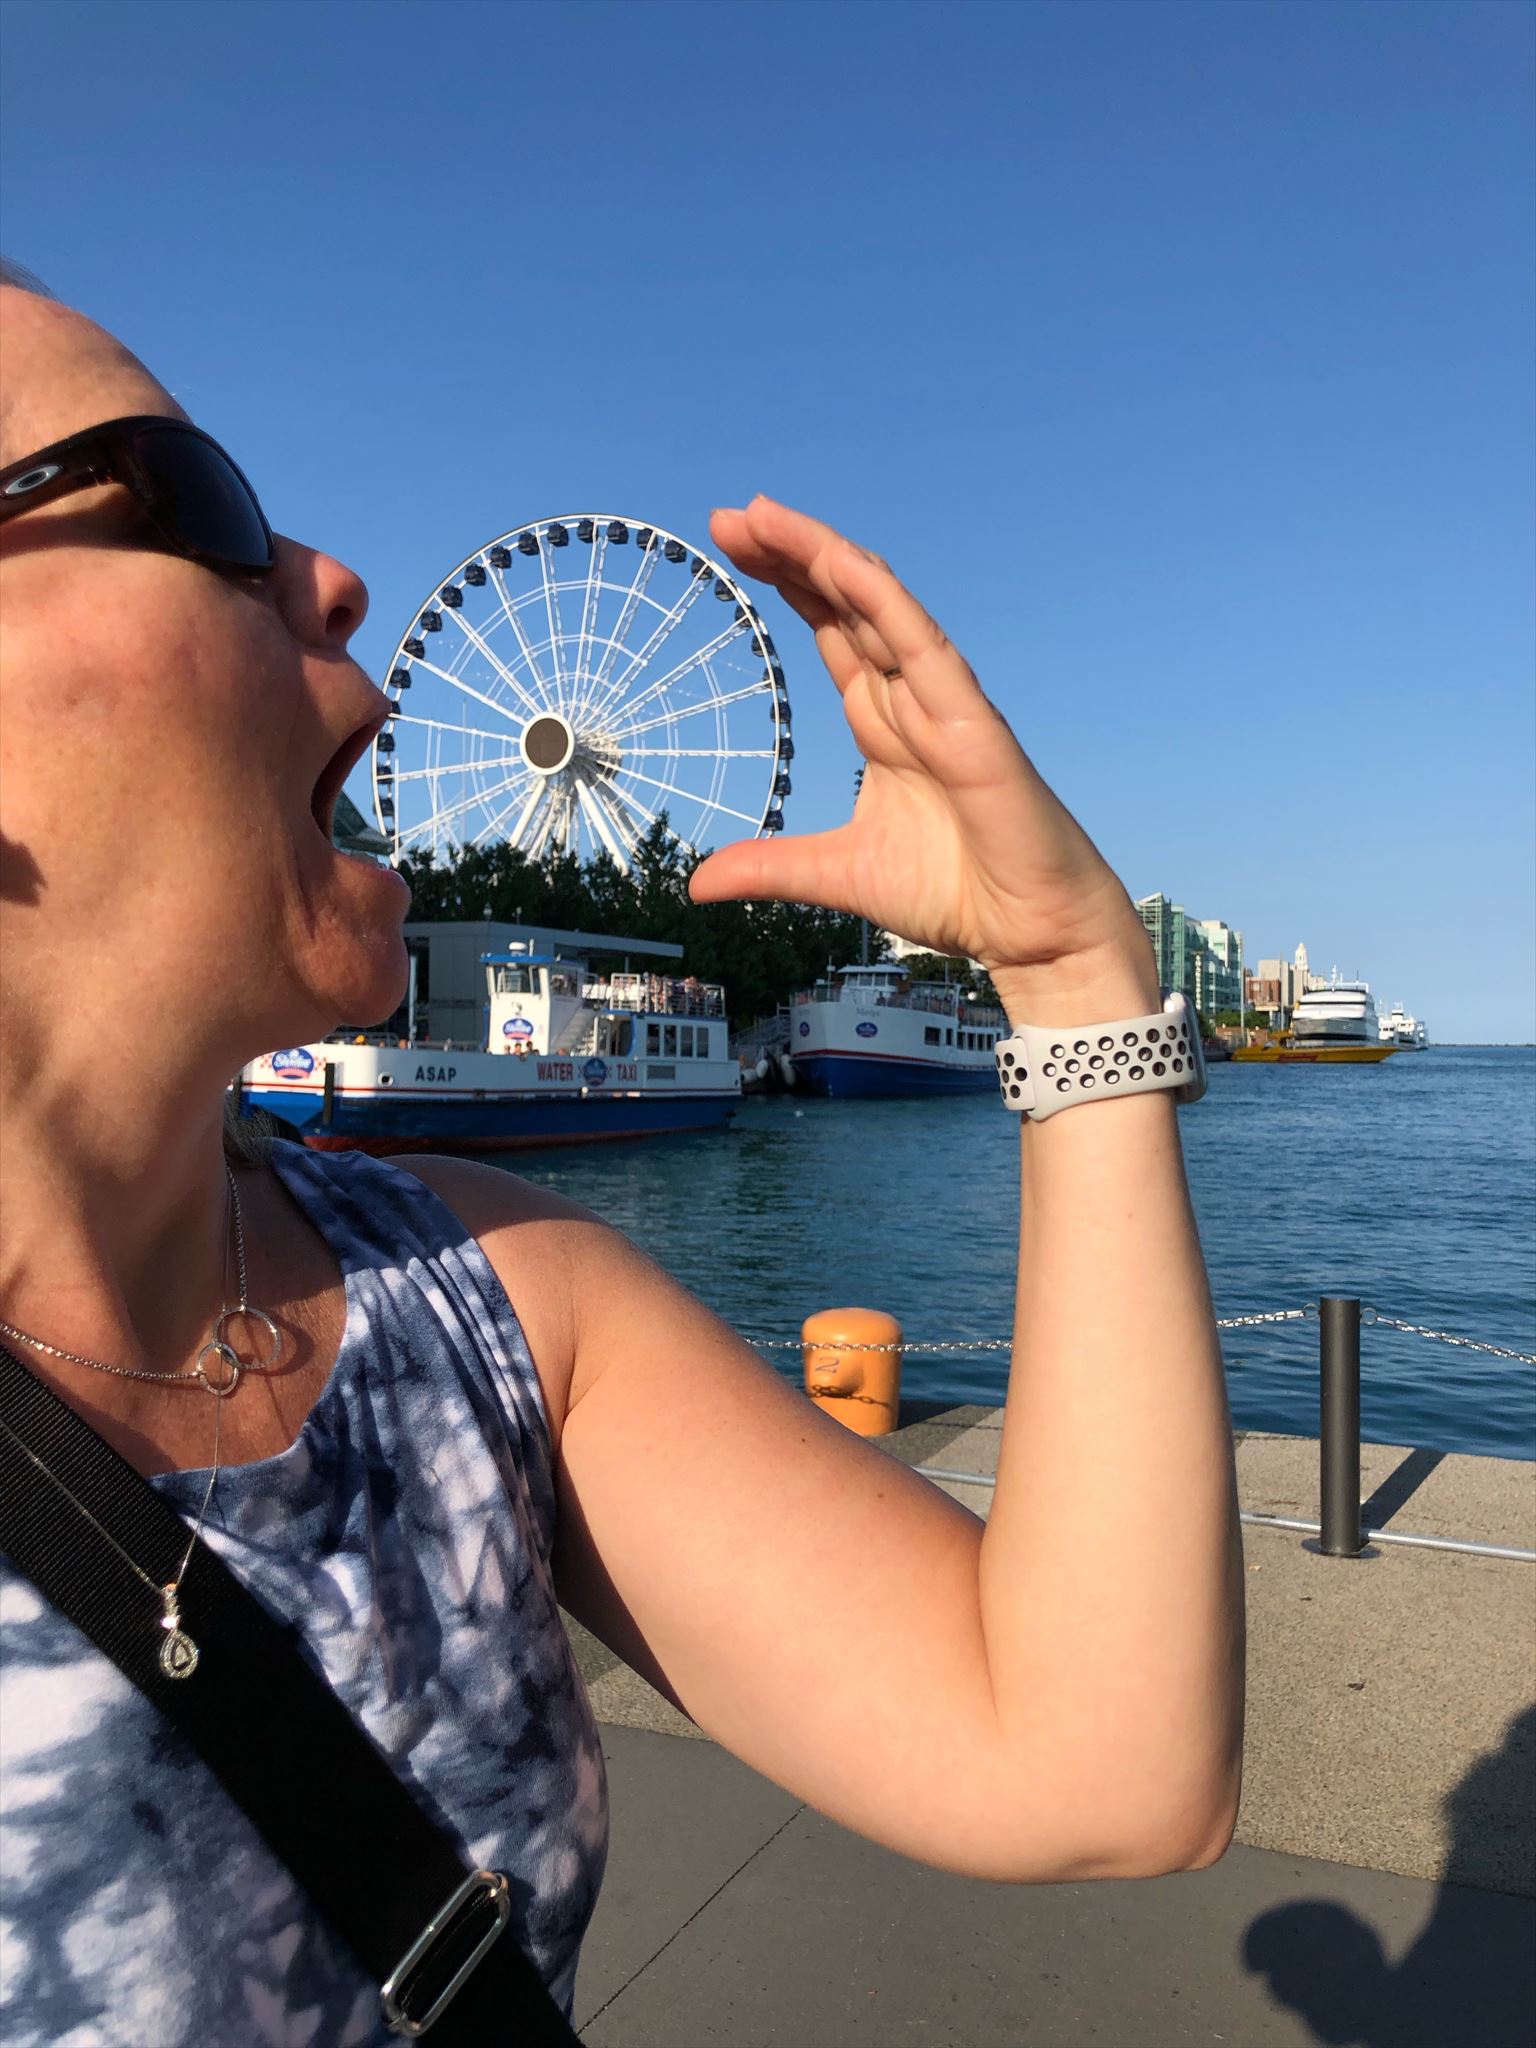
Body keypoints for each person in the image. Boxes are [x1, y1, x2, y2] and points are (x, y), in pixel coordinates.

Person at [0, 267, 1245, 2045]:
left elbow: (1097, 1762)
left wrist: (1070, 980)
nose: (332, 575)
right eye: (197, 502)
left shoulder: (487, 1297)